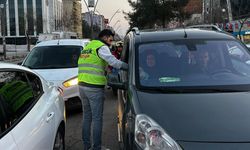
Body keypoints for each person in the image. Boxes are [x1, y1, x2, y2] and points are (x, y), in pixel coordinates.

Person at [78, 29, 128, 150]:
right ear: (105, 37)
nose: (111, 41)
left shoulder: (88, 46)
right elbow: (113, 62)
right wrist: (129, 67)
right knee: (97, 119)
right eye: (110, 39)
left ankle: (87, 146)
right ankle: (97, 147)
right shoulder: (102, 47)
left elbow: (95, 63)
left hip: (82, 86)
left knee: (87, 117)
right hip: (94, 87)